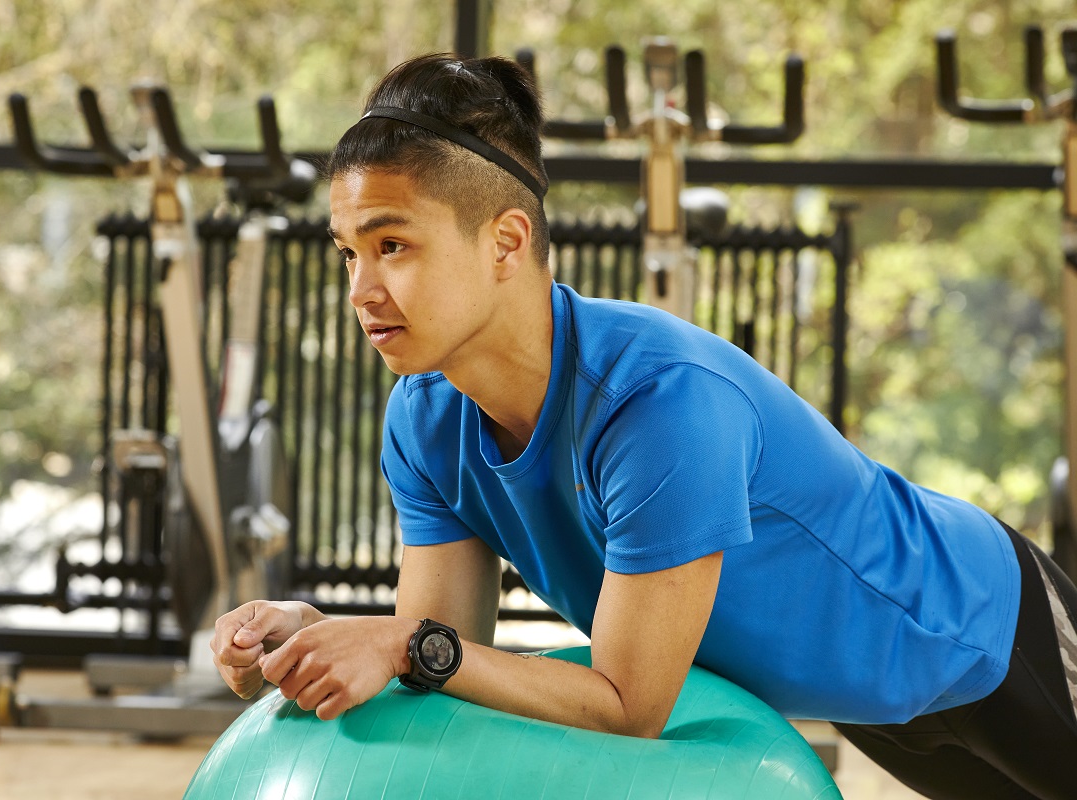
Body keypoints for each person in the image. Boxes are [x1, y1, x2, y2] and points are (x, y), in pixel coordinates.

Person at [210, 53, 1077, 799]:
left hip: (985, 633)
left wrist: (404, 644)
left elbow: (627, 705)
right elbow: (446, 656)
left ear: (507, 242)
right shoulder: (427, 418)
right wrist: (316, 636)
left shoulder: (659, 403)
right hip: (869, 699)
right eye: (347, 251)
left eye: (392, 245)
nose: (361, 290)